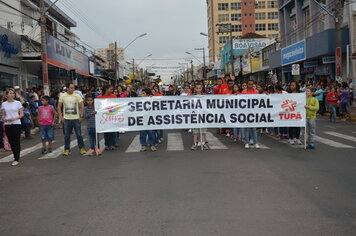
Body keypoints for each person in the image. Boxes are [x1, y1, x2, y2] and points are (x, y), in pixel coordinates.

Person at [58, 83, 87, 156]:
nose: (72, 89)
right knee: (66, 135)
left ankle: (82, 148)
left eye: (73, 88)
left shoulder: (77, 96)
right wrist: (61, 117)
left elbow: (82, 105)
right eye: (71, 88)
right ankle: (67, 149)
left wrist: (81, 115)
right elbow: (59, 106)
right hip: (66, 119)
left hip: (76, 118)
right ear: (67, 88)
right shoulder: (62, 96)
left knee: (79, 135)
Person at [1, 88, 24, 166]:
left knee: (16, 141)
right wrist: (4, 119)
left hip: (16, 124)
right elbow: (3, 115)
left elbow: (21, 114)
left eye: (13, 93)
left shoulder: (18, 103)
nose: (11, 94)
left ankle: (16, 158)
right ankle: (15, 155)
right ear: (7, 94)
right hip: (8, 124)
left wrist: (14, 118)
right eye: (10, 93)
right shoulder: (4, 104)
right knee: (11, 141)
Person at [97, 85, 118, 150]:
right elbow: (98, 106)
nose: (112, 91)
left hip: (112, 115)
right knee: (106, 131)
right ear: (106, 89)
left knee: (112, 131)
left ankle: (112, 144)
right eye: (111, 89)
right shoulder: (99, 97)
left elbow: (117, 105)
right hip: (104, 116)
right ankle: (107, 144)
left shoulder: (113, 96)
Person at [241, 80, 260, 149]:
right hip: (246, 112)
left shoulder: (256, 92)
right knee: (247, 129)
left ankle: (256, 143)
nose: (250, 85)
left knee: (254, 129)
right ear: (247, 84)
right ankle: (247, 142)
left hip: (254, 113)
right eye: (249, 84)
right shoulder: (244, 92)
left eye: (252, 84)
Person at [191, 83, 209, 150]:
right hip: (195, 115)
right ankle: (195, 143)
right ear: (195, 89)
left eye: (199, 88)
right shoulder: (192, 96)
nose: (198, 89)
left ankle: (203, 143)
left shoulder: (205, 96)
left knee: (203, 131)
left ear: (201, 88)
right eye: (197, 88)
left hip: (203, 115)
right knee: (195, 131)